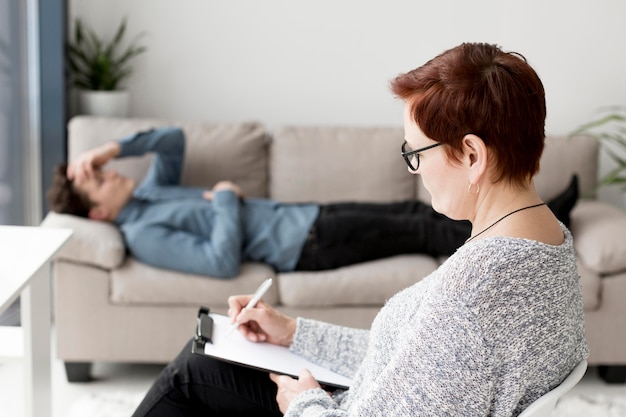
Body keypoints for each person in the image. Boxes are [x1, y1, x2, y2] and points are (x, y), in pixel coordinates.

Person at [129, 42, 588, 416]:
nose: (417, 171)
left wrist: (302, 402)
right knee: (198, 364)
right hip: (358, 399)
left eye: (417, 154)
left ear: (471, 155)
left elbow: (433, 361)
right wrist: (292, 332)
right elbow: (408, 363)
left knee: (189, 376)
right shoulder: (548, 244)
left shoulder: (470, 295)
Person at [47, 125, 577, 280]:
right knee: (420, 228)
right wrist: (227, 201)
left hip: (308, 217)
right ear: (97, 214)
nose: (110, 173)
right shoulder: (141, 233)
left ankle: (524, 221)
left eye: (105, 167)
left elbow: (171, 142)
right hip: (305, 245)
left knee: (418, 214)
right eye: (98, 180)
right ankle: (521, 237)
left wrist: (110, 147)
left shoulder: (150, 191)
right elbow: (218, 260)